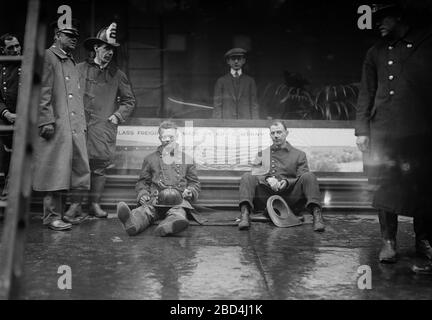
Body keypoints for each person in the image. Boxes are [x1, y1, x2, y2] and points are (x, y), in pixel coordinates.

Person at [355, 4, 432, 267]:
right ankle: (388, 241)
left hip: (419, 131)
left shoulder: (425, 44)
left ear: (399, 16)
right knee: (384, 185)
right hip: (383, 131)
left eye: (383, 18)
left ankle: (424, 241)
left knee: (422, 186)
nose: (378, 24)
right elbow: (366, 92)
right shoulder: (374, 52)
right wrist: (362, 131)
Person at [63, 23, 136, 222]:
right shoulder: (78, 69)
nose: (109, 53)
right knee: (78, 164)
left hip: (103, 128)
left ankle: (94, 204)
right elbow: (65, 95)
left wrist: (117, 116)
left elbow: (129, 101)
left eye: (112, 49)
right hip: (79, 126)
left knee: (98, 167)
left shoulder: (117, 75)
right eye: (106, 48)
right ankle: (75, 205)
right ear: (96, 48)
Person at [32, 20, 91, 231]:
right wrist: (46, 120)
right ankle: (51, 217)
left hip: (73, 125)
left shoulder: (70, 61)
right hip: (56, 125)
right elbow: (42, 92)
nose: (74, 39)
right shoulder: (48, 57)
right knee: (55, 172)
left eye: (76, 36)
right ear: (57, 35)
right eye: (69, 35)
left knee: (78, 170)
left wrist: (81, 124)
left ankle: (70, 212)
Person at [117, 120, 201, 237]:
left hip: (178, 201)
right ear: (159, 138)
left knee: (178, 214)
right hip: (155, 200)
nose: (167, 140)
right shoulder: (150, 159)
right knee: (144, 211)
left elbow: (194, 183)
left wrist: (190, 192)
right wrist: (143, 194)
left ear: (176, 137)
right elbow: (143, 182)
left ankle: (168, 226)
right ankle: (132, 223)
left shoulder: (187, 159)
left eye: (171, 137)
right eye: (164, 137)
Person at [238, 120, 325, 232]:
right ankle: (245, 215)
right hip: (267, 197)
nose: (276, 136)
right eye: (273, 133)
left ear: (286, 133)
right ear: (270, 135)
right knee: (247, 176)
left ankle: (317, 217)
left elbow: (302, 177)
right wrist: (268, 179)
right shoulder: (262, 154)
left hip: (289, 197)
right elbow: (255, 173)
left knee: (309, 176)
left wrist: (287, 182)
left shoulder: (299, 155)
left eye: (279, 132)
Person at [0, 34, 21, 200]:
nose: (16, 50)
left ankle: (10, 191)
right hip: (5, 119)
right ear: (2, 50)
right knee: (8, 153)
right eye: (11, 48)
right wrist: (6, 113)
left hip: (26, 118)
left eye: (17, 46)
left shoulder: (27, 66)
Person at [213, 48, 259, 119]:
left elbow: (254, 106)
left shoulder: (250, 81)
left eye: (239, 58)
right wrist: (218, 125)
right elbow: (217, 106)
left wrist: (255, 125)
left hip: (246, 124)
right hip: (227, 124)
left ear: (244, 61)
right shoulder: (221, 81)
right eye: (233, 58)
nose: (236, 61)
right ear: (228, 61)